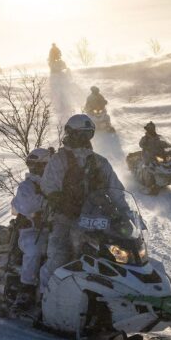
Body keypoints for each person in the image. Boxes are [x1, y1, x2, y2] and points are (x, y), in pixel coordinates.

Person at [39, 114, 124, 287]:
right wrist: (61, 201)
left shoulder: (100, 162)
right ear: (70, 134)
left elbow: (117, 191)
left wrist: (126, 214)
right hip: (65, 219)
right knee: (58, 256)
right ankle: (44, 298)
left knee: (119, 256)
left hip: (97, 220)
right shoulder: (59, 160)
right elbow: (49, 186)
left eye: (88, 134)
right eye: (81, 134)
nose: (85, 139)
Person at [10, 148, 51, 311]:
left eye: (39, 165)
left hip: (59, 230)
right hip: (32, 232)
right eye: (32, 165)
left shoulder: (56, 183)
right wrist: (48, 202)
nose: (35, 169)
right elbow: (27, 205)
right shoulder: (27, 186)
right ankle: (26, 291)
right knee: (35, 250)